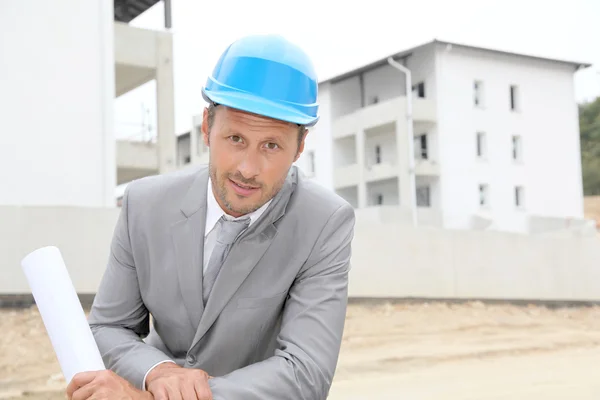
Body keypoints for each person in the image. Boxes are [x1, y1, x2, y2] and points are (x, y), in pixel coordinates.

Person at [66, 34, 356, 400]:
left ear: (299, 147)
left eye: (271, 145)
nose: (248, 169)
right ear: (206, 126)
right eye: (235, 138)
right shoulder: (144, 203)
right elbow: (108, 326)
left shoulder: (325, 223)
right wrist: (158, 372)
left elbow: (305, 372)